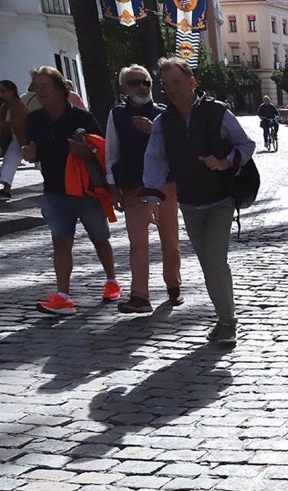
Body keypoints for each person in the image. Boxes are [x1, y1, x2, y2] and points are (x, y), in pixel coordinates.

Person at [140, 57, 255, 345]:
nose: (172, 89)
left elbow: (245, 144)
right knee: (207, 263)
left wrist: (225, 161)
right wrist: (152, 195)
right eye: (166, 85)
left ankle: (228, 322)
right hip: (189, 202)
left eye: (177, 82)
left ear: (192, 82)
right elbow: (155, 159)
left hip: (221, 199)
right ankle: (223, 318)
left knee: (216, 260)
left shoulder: (217, 113)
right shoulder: (162, 123)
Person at [22, 65, 119, 316]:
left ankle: (111, 280)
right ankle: (63, 296)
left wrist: (85, 151)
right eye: (36, 87)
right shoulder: (34, 119)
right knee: (60, 242)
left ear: (60, 89)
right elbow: (33, 150)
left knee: (100, 238)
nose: (40, 92)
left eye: (45, 86)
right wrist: (30, 154)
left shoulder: (81, 118)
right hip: (54, 189)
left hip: (86, 190)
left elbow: (102, 149)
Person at [106, 64, 182, 314]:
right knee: (138, 242)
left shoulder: (164, 113)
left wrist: (154, 132)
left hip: (164, 184)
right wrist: (112, 186)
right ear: (124, 87)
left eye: (146, 82)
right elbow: (111, 152)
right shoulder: (117, 114)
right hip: (133, 185)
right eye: (134, 82)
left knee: (170, 239)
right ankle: (139, 296)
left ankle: (173, 285)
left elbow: (177, 149)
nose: (141, 87)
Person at [0, 80, 29, 199]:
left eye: (2, 91)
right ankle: (6, 189)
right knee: (10, 160)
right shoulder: (7, 105)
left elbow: (13, 123)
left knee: (41, 163)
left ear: (12, 91)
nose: (0, 94)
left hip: (26, 138)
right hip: (17, 138)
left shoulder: (17, 105)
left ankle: (57, 184)